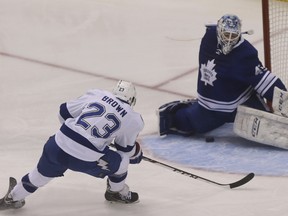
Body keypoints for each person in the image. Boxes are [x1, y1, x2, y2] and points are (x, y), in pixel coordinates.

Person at [0, 80, 144, 210]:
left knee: (39, 175)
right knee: (122, 162)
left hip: (57, 145)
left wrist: (81, 131)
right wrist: (137, 155)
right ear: (132, 99)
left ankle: (13, 197)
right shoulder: (133, 118)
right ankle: (117, 192)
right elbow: (126, 150)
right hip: (86, 159)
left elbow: (63, 112)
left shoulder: (97, 94)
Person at [158, 14, 287, 136]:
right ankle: (187, 107)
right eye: (226, 34)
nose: (229, 40)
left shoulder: (245, 53)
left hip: (242, 101)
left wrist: (284, 105)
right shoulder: (209, 38)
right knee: (185, 125)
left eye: (233, 36)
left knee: (265, 123)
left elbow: (268, 82)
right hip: (210, 108)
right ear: (219, 32)